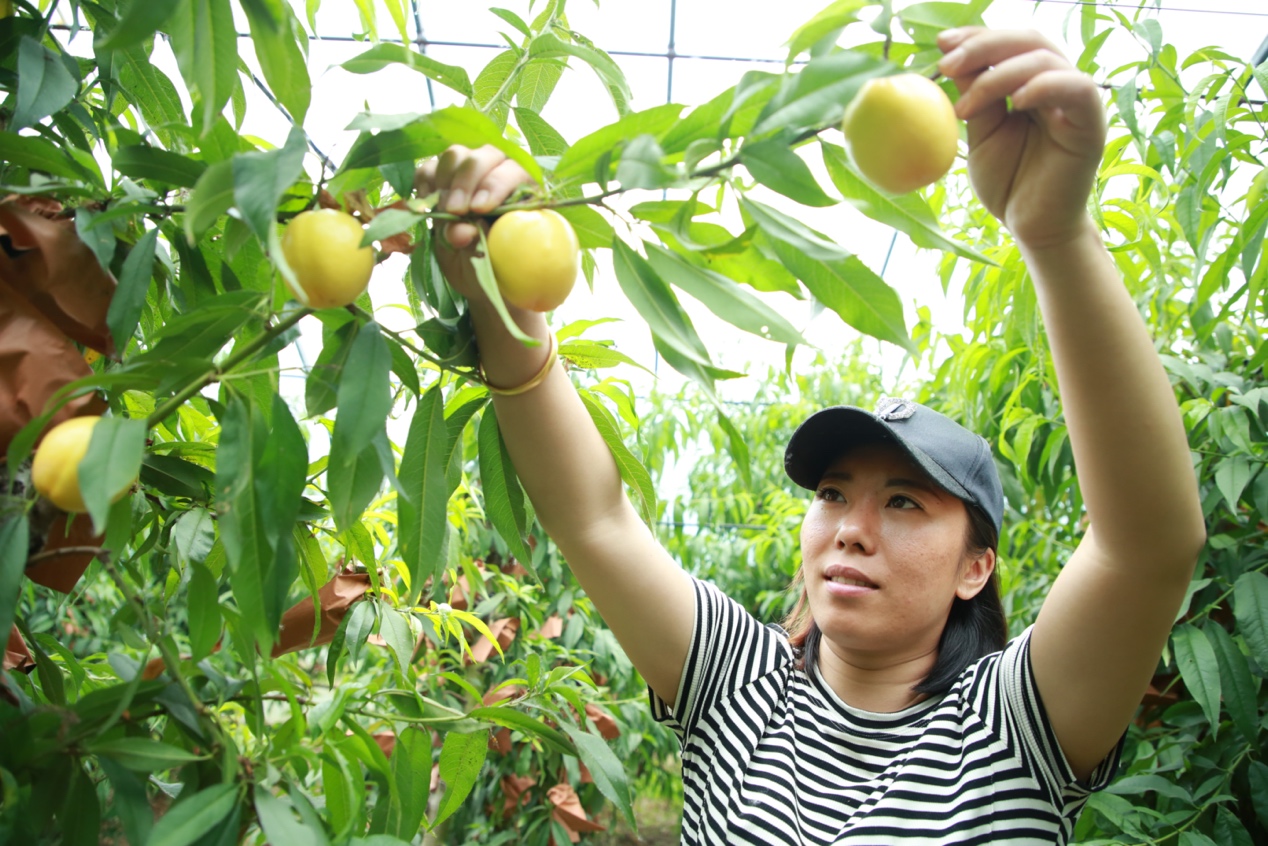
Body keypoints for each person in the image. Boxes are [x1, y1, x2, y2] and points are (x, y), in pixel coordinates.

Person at [414, 27, 1205, 845]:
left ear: (977, 567)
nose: (851, 531)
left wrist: (1055, 234)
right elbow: (593, 517)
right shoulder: (737, 685)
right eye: (832, 495)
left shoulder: (1014, 728)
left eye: (903, 503)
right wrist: (500, 301)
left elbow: (1147, 548)